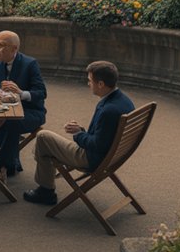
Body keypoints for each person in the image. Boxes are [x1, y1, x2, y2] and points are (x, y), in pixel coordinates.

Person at [23, 61, 134, 205]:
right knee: (44, 145)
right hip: (113, 157)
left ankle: (46, 192)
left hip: (92, 158)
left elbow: (97, 145)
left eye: (90, 81)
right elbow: (103, 137)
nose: (88, 84)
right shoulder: (124, 100)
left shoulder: (108, 110)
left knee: (43, 138)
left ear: (100, 84)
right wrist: (82, 130)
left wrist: (78, 134)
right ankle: (44, 181)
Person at [0, 31, 47, 181]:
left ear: (14, 48)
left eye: (1, 46)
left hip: (30, 111)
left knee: (11, 122)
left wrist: (20, 92)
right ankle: (3, 162)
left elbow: (41, 93)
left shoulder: (30, 64)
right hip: (3, 110)